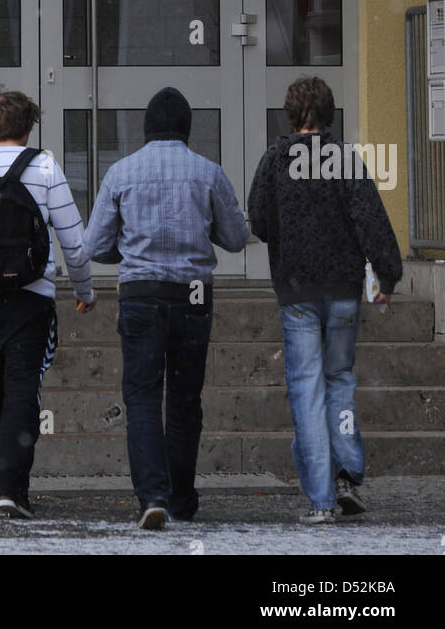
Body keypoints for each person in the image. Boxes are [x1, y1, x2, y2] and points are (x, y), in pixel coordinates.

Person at [84, 87, 249, 530]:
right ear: (187, 129)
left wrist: (133, 252)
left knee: (140, 397)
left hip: (140, 295)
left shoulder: (121, 172)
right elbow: (236, 238)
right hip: (193, 296)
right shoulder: (208, 172)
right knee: (184, 399)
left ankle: (152, 496)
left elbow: (92, 246)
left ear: (147, 128)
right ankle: (180, 498)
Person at [247, 76, 403, 525]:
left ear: (291, 115)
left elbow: (259, 220)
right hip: (342, 292)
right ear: (330, 114)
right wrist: (387, 275)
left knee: (307, 391)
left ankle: (320, 499)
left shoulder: (276, 160)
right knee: (340, 381)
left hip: (297, 291)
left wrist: (288, 235)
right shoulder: (345, 160)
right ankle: (347, 471)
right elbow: (372, 221)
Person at [0, 89, 95, 519]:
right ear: (27, 127)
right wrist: (85, 292)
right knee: (23, 389)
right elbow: (74, 242)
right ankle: (12, 488)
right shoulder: (44, 167)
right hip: (32, 300)